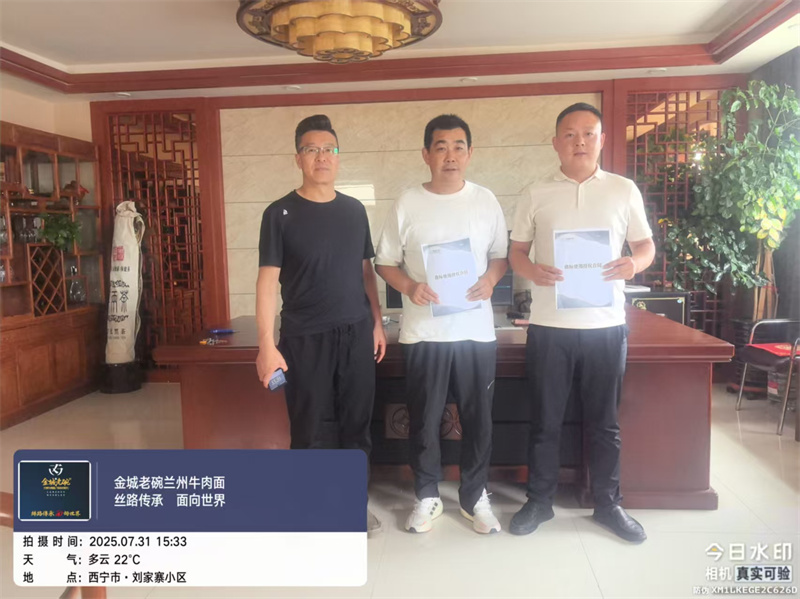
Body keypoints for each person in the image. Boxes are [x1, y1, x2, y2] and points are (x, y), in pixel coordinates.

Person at [508, 102, 655, 543]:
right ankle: (539, 501)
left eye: (589, 133)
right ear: (556, 142)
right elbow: (516, 252)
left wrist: (634, 264)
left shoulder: (623, 190)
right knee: (545, 421)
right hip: (549, 327)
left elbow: (645, 246)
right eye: (570, 134)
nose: (580, 142)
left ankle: (609, 505)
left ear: (602, 140)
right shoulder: (536, 193)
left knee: (605, 424)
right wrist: (532, 271)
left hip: (605, 326)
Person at [375, 114, 508, 534]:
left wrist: (491, 279)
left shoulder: (485, 200)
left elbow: (501, 256)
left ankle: (474, 496)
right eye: (441, 146)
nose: (450, 155)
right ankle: (427, 494)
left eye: (458, 146)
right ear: (426, 154)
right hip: (424, 333)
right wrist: (409, 286)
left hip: (475, 332)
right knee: (424, 418)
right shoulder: (407, 202)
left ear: (469, 153)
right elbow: (385, 262)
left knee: (478, 419)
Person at [255, 114, 387, 533]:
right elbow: (267, 282)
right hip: (304, 336)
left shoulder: (354, 210)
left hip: (355, 332)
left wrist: (377, 323)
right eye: (312, 150)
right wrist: (265, 344)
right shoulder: (279, 213)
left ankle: (353, 504)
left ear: (338, 157)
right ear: (298, 158)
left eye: (329, 149)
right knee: (309, 428)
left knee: (357, 427)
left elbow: (365, 272)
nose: (322, 157)